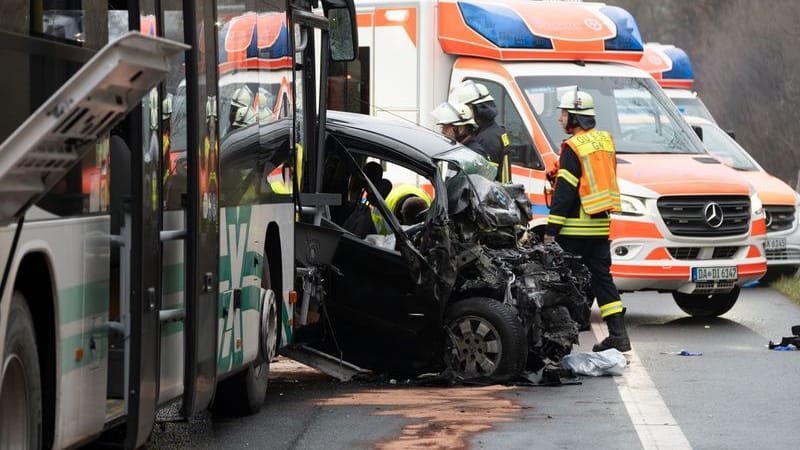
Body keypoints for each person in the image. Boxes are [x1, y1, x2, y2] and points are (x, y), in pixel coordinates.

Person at [543, 88, 630, 352]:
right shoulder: (604, 141)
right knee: (602, 280)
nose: (560, 119)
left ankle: (563, 342)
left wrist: (551, 230)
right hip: (600, 226)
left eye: (564, 114)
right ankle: (618, 335)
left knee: (566, 282)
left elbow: (566, 193)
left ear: (575, 118)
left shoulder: (573, 147)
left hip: (574, 229)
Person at [449, 81, 511, 181]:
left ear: (477, 109)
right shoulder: (495, 131)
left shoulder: (487, 139)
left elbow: (486, 179)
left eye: (467, 107)